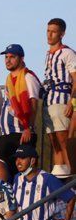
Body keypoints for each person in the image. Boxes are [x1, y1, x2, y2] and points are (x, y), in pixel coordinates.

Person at [0, 44, 41, 169]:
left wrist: (28, 128)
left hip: (21, 133)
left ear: (21, 58)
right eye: (6, 57)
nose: (8, 60)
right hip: (7, 134)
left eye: (12, 57)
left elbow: (33, 104)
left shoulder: (28, 77)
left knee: (19, 171)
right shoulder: (9, 79)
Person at [44, 18, 76, 176]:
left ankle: (72, 171)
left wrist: (72, 100)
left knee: (63, 139)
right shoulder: (48, 55)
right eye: (48, 31)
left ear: (62, 34)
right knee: (53, 140)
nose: (49, 35)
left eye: (53, 31)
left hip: (61, 98)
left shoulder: (67, 52)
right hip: (48, 100)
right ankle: (60, 172)